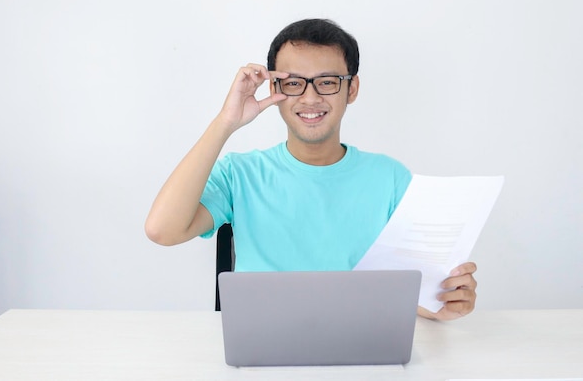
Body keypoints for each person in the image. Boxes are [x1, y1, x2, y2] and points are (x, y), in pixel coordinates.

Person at [145, 18, 477, 321]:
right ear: (275, 90)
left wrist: (444, 302)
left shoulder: (391, 179)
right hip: (263, 344)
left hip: (363, 348)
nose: (310, 97)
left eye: (328, 82)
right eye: (293, 84)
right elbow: (162, 230)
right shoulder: (239, 174)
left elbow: (417, 292)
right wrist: (225, 122)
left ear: (353, 89)